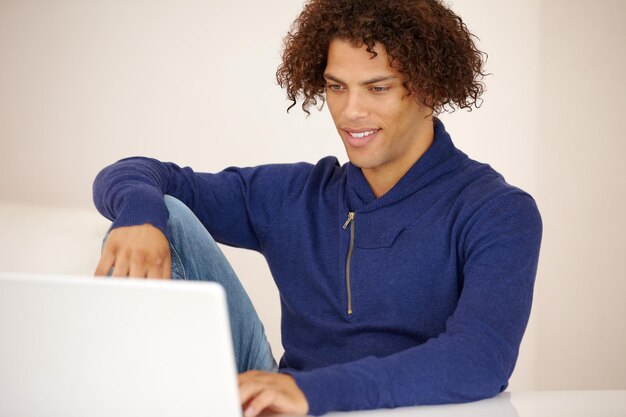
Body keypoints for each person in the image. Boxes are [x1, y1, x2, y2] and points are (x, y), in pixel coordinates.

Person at [92, 0, 542, 416]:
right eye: (336, 87)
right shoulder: (295, 194)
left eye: (377, 88)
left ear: (428, 88)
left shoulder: (497, 211)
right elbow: (137, 172)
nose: (350, 111)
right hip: (281, 400)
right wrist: (138, 216)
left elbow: (481, 359)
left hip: (403, 407)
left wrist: (313, 392)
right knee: (165, 209)